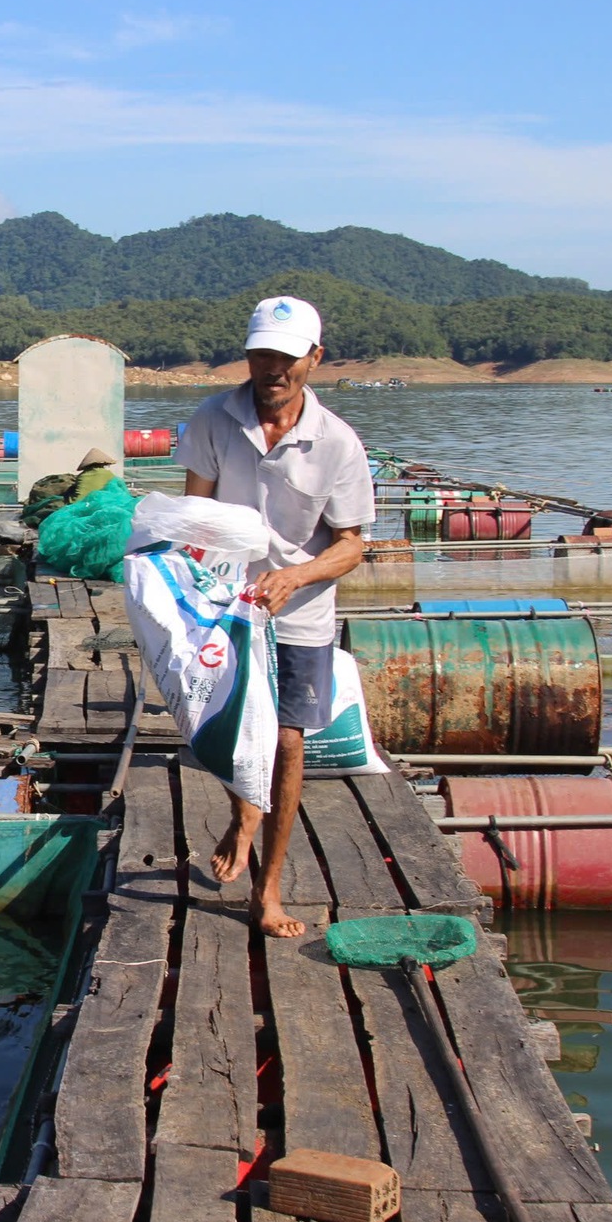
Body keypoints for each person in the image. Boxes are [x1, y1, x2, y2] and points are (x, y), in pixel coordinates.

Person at [176, 295, 375, 937]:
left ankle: (270, 889)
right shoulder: (212, 419)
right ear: (249, 355)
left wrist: (295, 575)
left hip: (301, 615)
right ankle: (243, 814)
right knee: (236, 732)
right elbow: (194, 514)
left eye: (288, 358)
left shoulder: (338, 444)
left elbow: (351, 544)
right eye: (263, 354)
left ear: (314, 359)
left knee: (288, 742)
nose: (273, 369)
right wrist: (195, 577)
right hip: (229, 608)